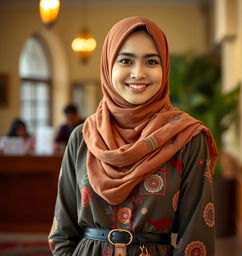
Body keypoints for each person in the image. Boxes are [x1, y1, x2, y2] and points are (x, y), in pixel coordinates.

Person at [48, 16, 218, 256]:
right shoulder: (83, 137)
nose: (138, 73)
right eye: (126, 60)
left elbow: (197, 237)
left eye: (151, 61)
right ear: (108, 66)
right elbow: (63, 231)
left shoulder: (188, 138)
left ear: (164, 67)